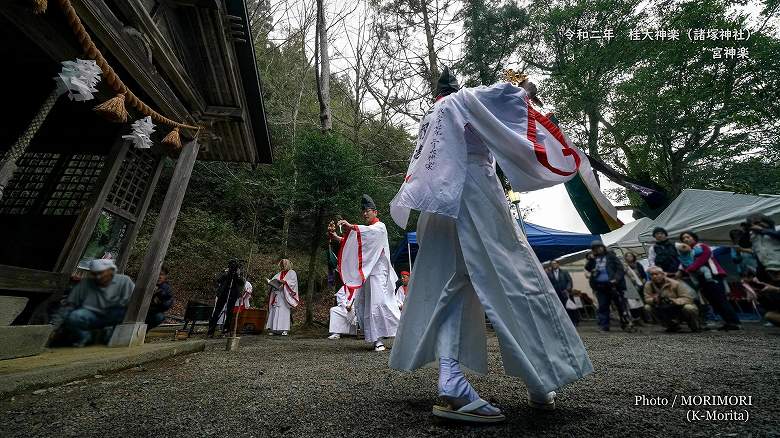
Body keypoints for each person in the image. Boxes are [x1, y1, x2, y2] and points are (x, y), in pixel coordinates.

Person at [388, 68, 592, 423]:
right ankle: (540, 378)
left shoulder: (431, 117)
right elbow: (508, 96)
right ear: (457, 87)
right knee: (515, 278)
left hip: (437, 201)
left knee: (450, 284)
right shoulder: (465, 99)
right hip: (473, 192)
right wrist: (524, 87)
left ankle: (458, 380)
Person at [329, 194, 401, 352]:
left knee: (379, 305)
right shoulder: (366, 232)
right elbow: (354, 245)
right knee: (364, 306)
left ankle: (396, 334)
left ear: (375, 212)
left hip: (378, 274)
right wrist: (335, 237)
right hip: (367, 274)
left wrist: (351, 226)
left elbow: (367, 233)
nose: (365, 213)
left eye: (368, 210)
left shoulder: (380, 227)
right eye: (363, 211)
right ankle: (374, 338)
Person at [62, 259, 134, 347]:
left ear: (111, 271)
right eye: (95, 274)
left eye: (101, 273)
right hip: (92, 315)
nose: (98, 277)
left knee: (122, 313)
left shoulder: (125, 281)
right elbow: (70, 304)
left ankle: (111, 332)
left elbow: (134, 301)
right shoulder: (85, 283)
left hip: (115, 314)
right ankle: (85, 336)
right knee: (74, 316)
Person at [678, 231, 741, 331]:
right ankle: (728, 322)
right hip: (702, 280)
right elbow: (684, 264)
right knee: (714, 301)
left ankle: (734, 322)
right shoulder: (687, 252)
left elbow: (702, 259)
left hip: (713, 276)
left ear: (693, 238)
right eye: (683, 239)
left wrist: (690, 269)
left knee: (721, 300)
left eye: (688, 237)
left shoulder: (702, 246)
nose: (686, 239)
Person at [584, 241, 631, 332]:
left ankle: (625, 323)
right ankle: (604, 326)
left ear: (603, 247)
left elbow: (620, 269)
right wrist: (591, 259)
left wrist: (616, 279)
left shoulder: (611, 256)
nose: (597, 249)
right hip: (600, 286)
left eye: (599, 247)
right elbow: (587, 268)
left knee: (620, 305)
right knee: (603, 306)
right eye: (595, 248)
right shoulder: (594, 259)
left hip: (613, 285)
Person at [643, 267, 699, 332]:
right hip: (662, 307)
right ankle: (671, 326)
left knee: (689, 308)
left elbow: (688, 298)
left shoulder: (675, 283)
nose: (654, 276)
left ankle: (695, 326)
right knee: (647, 307)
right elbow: (646, 299)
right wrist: (654, 300)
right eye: (652, 275)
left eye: (656, 274)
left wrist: (673, 300)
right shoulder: (648, 285)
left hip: (678, 307)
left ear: (663, 274)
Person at [207, 259, 245, 337]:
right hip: (223, 293)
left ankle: (226, 329)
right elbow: (218, 279)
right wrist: (226, 273)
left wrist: (237, 275)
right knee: (217, 310)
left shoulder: (238, 273)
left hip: (233, 294)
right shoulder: (225, 271)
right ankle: (211, 329)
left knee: (230, 312)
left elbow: (242, 282)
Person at [266, 259, 299, 335]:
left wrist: (285, 282)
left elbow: (293, 282)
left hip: (285, 295)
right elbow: (274, 280)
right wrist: (271, 282)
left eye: (283, 264)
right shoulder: (279, 273)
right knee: (275, 310)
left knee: (283, 311)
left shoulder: (292, 272)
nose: (282, 266)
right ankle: (274, 329)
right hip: (277, 294)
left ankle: (284, 329)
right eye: (281, 265)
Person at [745, 214, 780, 286]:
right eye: (751, 224)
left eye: (757, 223)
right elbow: (757, 253)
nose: (754, 226)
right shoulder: (754, 238)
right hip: (767, 271)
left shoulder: (776, 230)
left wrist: (762, 230)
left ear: (767, 222)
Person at [145, 266, 173, 330]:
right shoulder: (145, 283)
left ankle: (145, 330)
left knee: (159, 317)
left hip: (151, 313)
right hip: (137, 310)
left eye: (162, 274)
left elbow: (167, 305)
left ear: (165, 276)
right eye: (157, 274)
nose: (159, 277)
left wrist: (160, 299)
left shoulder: (167, 288)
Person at [622, 252, 647, 322]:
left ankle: (646, 317)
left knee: (643, 300)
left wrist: (643, 282)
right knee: (635, 302)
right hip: (631, 286)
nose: (629, 257)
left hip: (640, 284)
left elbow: (643, 274)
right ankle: (639, 318)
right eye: (627, 256)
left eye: (630, 256)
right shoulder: (625, 266)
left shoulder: (638, 264)